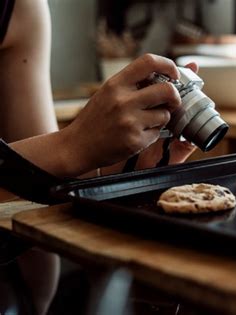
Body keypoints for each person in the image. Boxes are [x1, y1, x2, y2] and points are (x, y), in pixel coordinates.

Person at [0, 0, 197, 314]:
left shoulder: (21, 8)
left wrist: (118, 170)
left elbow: (32, 185)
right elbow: (52, 157)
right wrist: (77, 143)